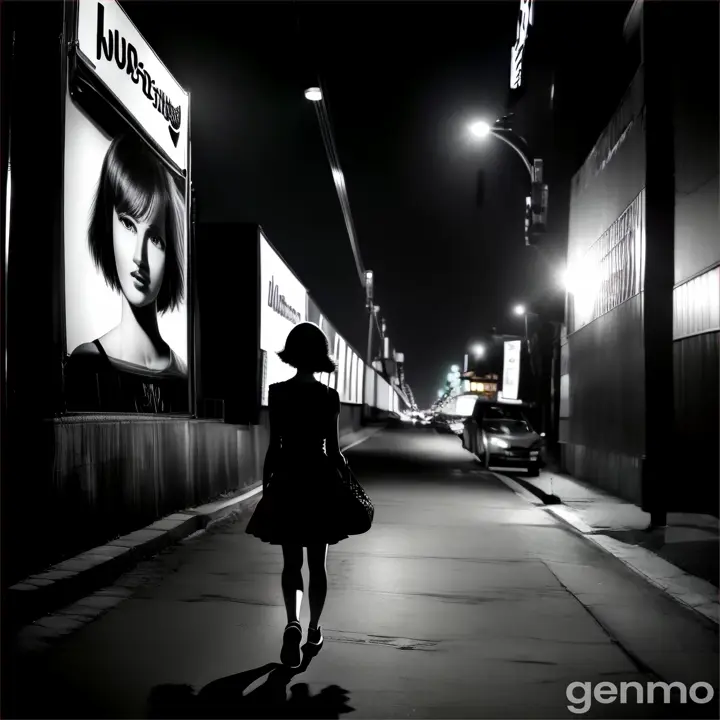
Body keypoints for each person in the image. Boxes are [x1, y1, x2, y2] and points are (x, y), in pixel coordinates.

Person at [246, 322, 350, 669]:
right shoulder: (328, 397)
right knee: (317, 563)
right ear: (321, 356)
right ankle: (313, 629)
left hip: (287, 481)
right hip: (319, 482)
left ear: (291, 353)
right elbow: (334, 451)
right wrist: (346, 476)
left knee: (291, 562)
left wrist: (267, 489)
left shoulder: (277, 393)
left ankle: (292, 620)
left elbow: (274, 447)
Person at [65, 133, 187, 413]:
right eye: (128, 224)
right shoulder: (87, 366)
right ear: (107, 225)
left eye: (155, 238)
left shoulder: (183, 378)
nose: (138, 256)